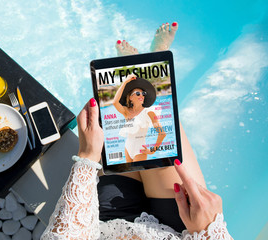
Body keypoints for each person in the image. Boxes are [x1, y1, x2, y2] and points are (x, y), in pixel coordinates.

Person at [41, 23, 233, 239]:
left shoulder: (131, 110)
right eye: (137, 93)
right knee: (163, 118)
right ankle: (153, 67)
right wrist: (210, 232)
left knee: (119, 126)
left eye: (141, 93)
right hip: (178, 230)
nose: (139, 97)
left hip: (112, 223)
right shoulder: (139, 111)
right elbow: (150, 123)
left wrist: (88, 156)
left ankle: (137, 70)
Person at [113, 74, 166, 163]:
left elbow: (162, 133)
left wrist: (152, 151)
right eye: (138, 93)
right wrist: (125, 81)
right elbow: (115, 102)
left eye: (143, 93)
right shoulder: (127, 112)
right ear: (130, 97)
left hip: (140, 150)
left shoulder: (149, 112)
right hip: (127, 148)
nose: (141, 95)